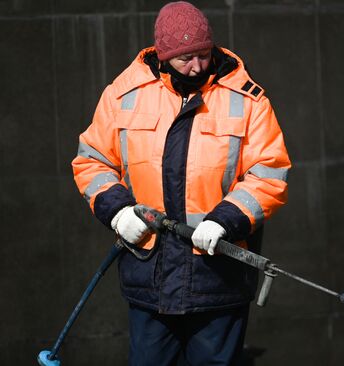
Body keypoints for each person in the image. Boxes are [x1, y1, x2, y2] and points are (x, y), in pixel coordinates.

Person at [71, 2, 291, 365]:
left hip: (217, 277)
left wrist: (226, 219)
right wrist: (117, 212)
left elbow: (269, 173)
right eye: (186, 58)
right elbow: (92, 161)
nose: (198, 66)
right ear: (163, 55)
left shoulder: (247, 99)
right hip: (150, 274)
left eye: (204, 54)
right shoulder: (123, 94)